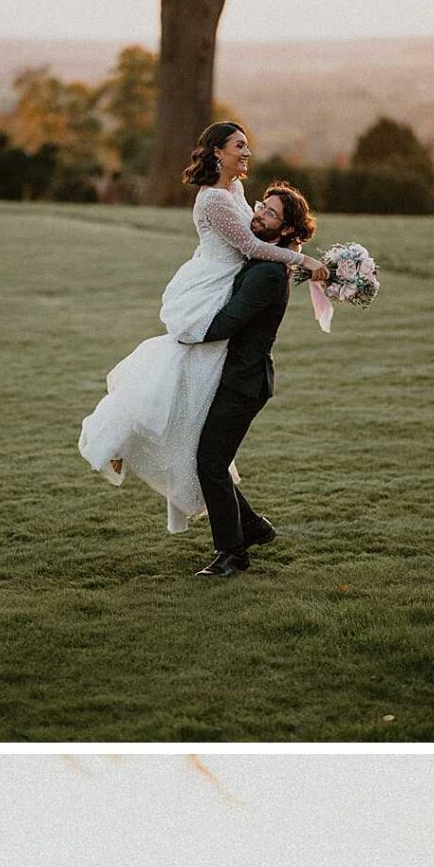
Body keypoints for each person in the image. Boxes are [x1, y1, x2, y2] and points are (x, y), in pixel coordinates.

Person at [78, 120, 326, 540]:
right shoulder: (212, 199)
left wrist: (292, 242)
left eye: (247, 146)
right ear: (217, 153)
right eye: (239, 146)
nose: (247, 153)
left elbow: (260, 234)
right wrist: (302, 261)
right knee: (172, 378)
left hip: (230, 287)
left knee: (188, 404)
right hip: (210, 288)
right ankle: (118, 435)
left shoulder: (236, 191)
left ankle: (246, 528)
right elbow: (249, 246)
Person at [186, 181, 317, 579]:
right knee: (211, 460)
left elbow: (228, 322)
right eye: (262, 206)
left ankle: (233, 553)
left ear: (288, 231)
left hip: (245, 382)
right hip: (235, 377)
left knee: (210, 462)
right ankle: (254, 527)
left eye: (271, 214)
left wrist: (186, 330)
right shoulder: (260, 260)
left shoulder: (268, 275)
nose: (259, 214)